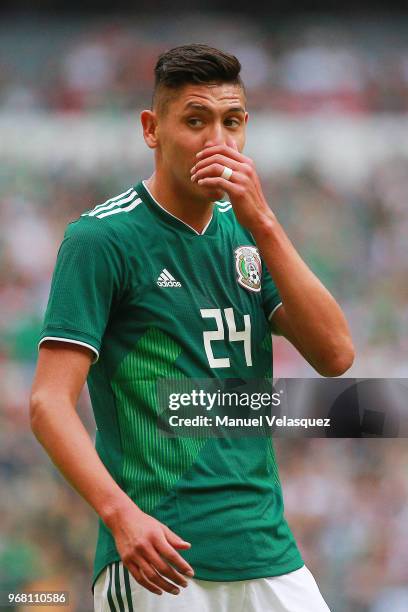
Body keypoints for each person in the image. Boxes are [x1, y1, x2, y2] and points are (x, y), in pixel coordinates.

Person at [30, 44, 354, 611]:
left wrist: (265, 222)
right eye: (196, 121)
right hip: (162, 557)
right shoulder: (101, 240)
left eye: (231, 122)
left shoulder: (251, 232)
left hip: (268, 550)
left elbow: (336, 356)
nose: (217, 142)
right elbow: (48, 403)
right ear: (152, 129)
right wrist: (120, 515)